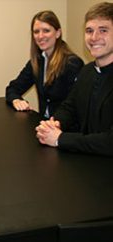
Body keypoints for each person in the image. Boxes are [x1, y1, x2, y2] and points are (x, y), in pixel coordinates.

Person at [36, 2, 113, 157]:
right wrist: (54, 123)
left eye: (103, 30)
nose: (94, 37)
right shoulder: (86, 71)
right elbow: (69, 107)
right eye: (89, 31)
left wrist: (60, 139)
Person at [6, 10, 84, 118]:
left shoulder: (72, 63)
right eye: (36, 32)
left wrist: (54, 125)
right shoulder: (37, 61)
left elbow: (75, 106)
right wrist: (16, 100)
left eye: (46, 31)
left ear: (58, 33)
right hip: (44, 125)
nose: (40, 36)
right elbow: (13, 88)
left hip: (64, 129)